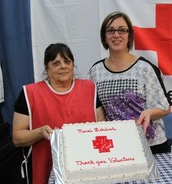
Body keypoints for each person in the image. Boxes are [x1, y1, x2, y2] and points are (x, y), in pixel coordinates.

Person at [12, 43, 105, 184]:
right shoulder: (29, 93)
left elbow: (102, 127)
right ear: (46, 68)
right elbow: (17, 138)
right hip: (43, 168)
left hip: (87, 170)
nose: (63, 66)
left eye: (67, 61)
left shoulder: (90, 89)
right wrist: (39, 132)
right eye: (56, 63)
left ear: (73, 65)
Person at [89, 11, 172, 154]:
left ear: (129, 36)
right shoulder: (95, 71)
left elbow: (166, 108)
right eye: (110, 30)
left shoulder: (145, 68)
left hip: (151, 146)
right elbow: (97, 111)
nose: (116, 35)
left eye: (122, 30)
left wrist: (149, 113)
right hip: (117, 147)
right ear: (104, 36)